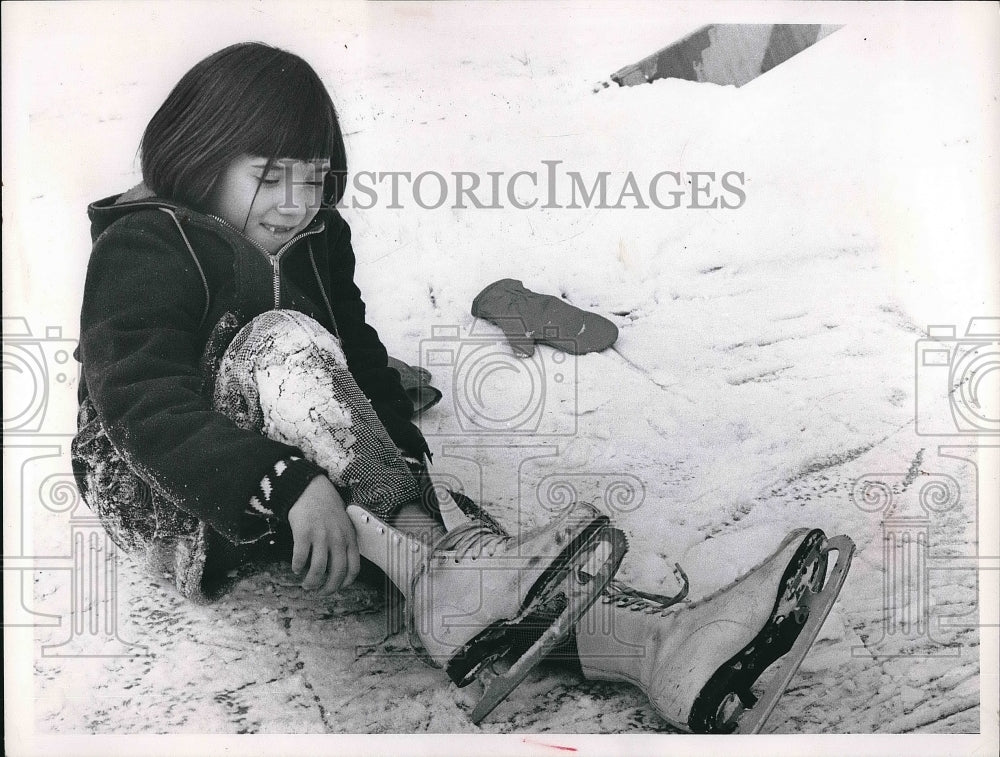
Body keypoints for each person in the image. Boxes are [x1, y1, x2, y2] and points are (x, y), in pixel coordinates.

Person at [72, 42, 846, 734]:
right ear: (201, 152)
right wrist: (281, 482)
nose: (294, 203)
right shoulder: (149, 243)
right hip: (168, 496)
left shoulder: (316, 235)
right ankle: (452, 569)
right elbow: (139, 402)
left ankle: (666, 652)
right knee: (285, 342)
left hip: (287, 469)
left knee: (480, 568)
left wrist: (413, 492)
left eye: (311, 180)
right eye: (269, 177)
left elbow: (359, 359)